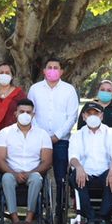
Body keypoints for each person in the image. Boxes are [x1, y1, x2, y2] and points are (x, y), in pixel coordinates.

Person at [0, 98, 53, 224]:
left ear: (33, 115)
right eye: (22, 111)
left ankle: (28, 220)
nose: (25, 115)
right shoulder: (5, 133)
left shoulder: (42, 135)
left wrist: (30, 173)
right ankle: (15, 220)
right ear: (15, 113)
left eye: (28, 112)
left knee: (37, 178)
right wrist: (14, 173)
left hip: (34, 173)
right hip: (11, 172)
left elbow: (47, 161)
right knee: (6, 178)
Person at [28, 56, 79, 199]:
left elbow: (72, 117)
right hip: (38, 140)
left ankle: (59, 211)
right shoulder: (35, 89)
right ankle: (38, 207)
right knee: (37, 175)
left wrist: (56, 136)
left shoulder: (69, 90)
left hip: (61, 141)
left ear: (61, 71)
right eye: (49, 67)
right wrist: (42, 136)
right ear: (44, 70)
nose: (52, 70)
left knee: (60, 177)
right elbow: (30, 113)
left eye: (56, 68)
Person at [68, 99, 112, 224]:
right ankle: (91, 217)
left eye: (96, 113)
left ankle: (103, 216)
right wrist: (79, 167)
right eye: (89, 113)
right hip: (85, 173)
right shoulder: (77, 135)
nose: (92, 116)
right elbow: (73, 157)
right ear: (84, 116)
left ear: (102, 116)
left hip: (106, 172)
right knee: (75, 176)